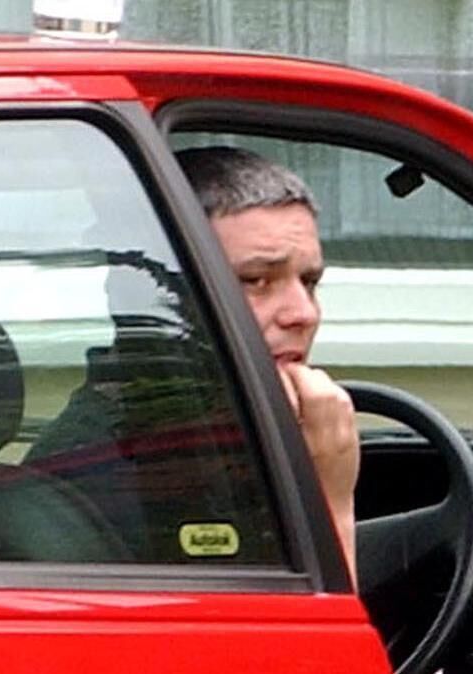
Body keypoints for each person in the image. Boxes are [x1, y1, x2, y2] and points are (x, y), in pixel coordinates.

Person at [176, 147, 360, 585]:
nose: (304, 313)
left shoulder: (232, 437)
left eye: (309, 282)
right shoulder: (147, 465)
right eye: (256, 281)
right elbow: (319, 653)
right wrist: (331, 503)